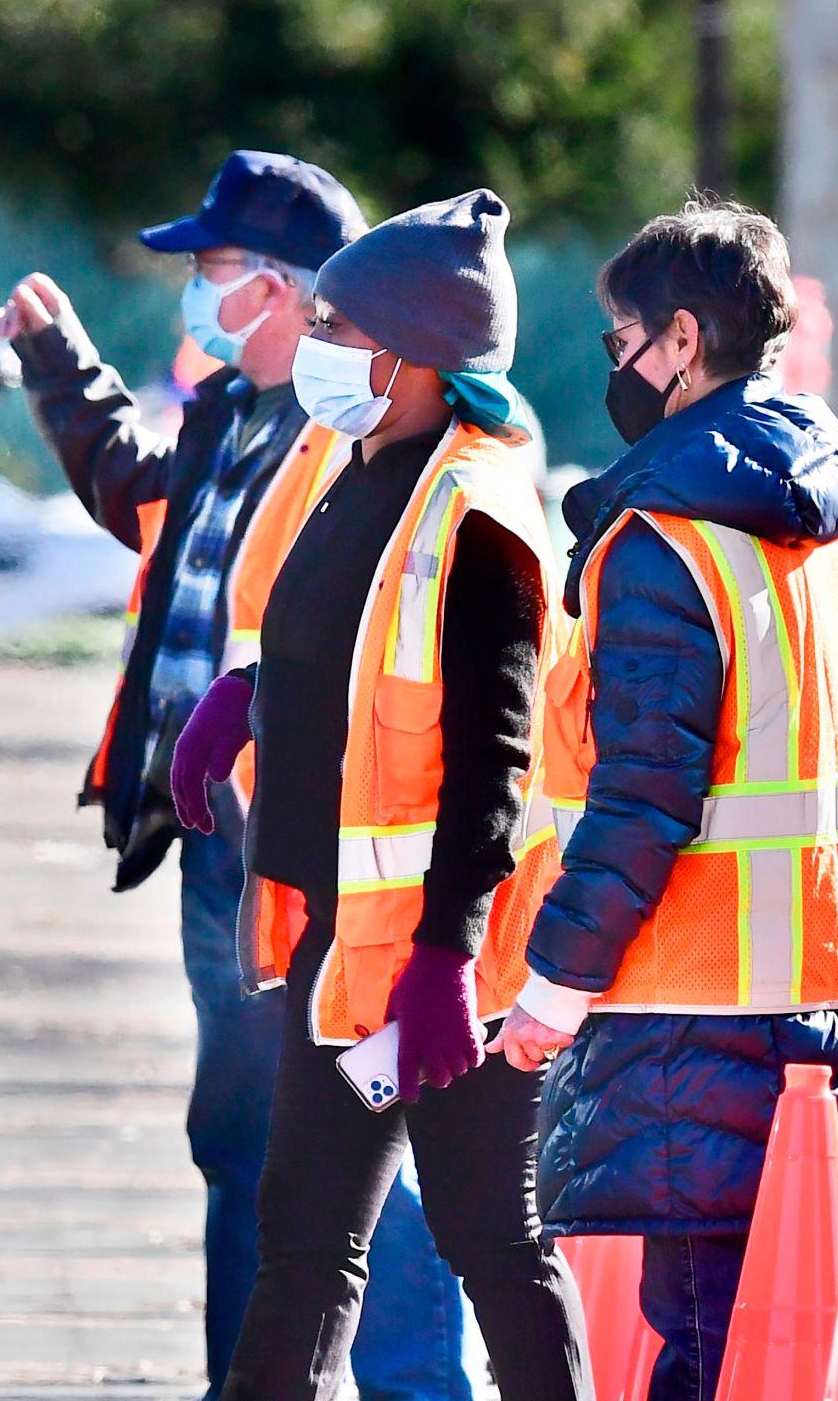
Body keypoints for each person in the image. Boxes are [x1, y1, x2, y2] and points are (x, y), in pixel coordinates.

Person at [0, 150, 477, 1401]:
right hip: (226, 843)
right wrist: (64, 379)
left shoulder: (357, 429)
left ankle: (421, 1385)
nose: (192, 298)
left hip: (321, 847)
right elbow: (151, 512)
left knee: (337, 1149)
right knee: (246, 1142)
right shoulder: (230, 412)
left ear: (278, 287)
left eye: (210, 272)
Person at [493, 200, 838, 1398]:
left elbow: (643, 794)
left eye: (622, 336)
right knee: (778, 1345)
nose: (615, 364)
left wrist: (551, 982)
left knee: (700, 1340)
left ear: (682, 341)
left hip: (698, 1008)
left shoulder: (662, 542)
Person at [171, 188, 590, 1399]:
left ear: (408, 356)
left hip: (432, 970)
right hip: (353, 953)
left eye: (339, 328)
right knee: (302, 1244)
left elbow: (493, 764)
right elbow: (347, 652)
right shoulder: (368, 469)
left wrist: (448, 961)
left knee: (493, 1251)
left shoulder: (479, 517)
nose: (319, 347)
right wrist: (247, 699)